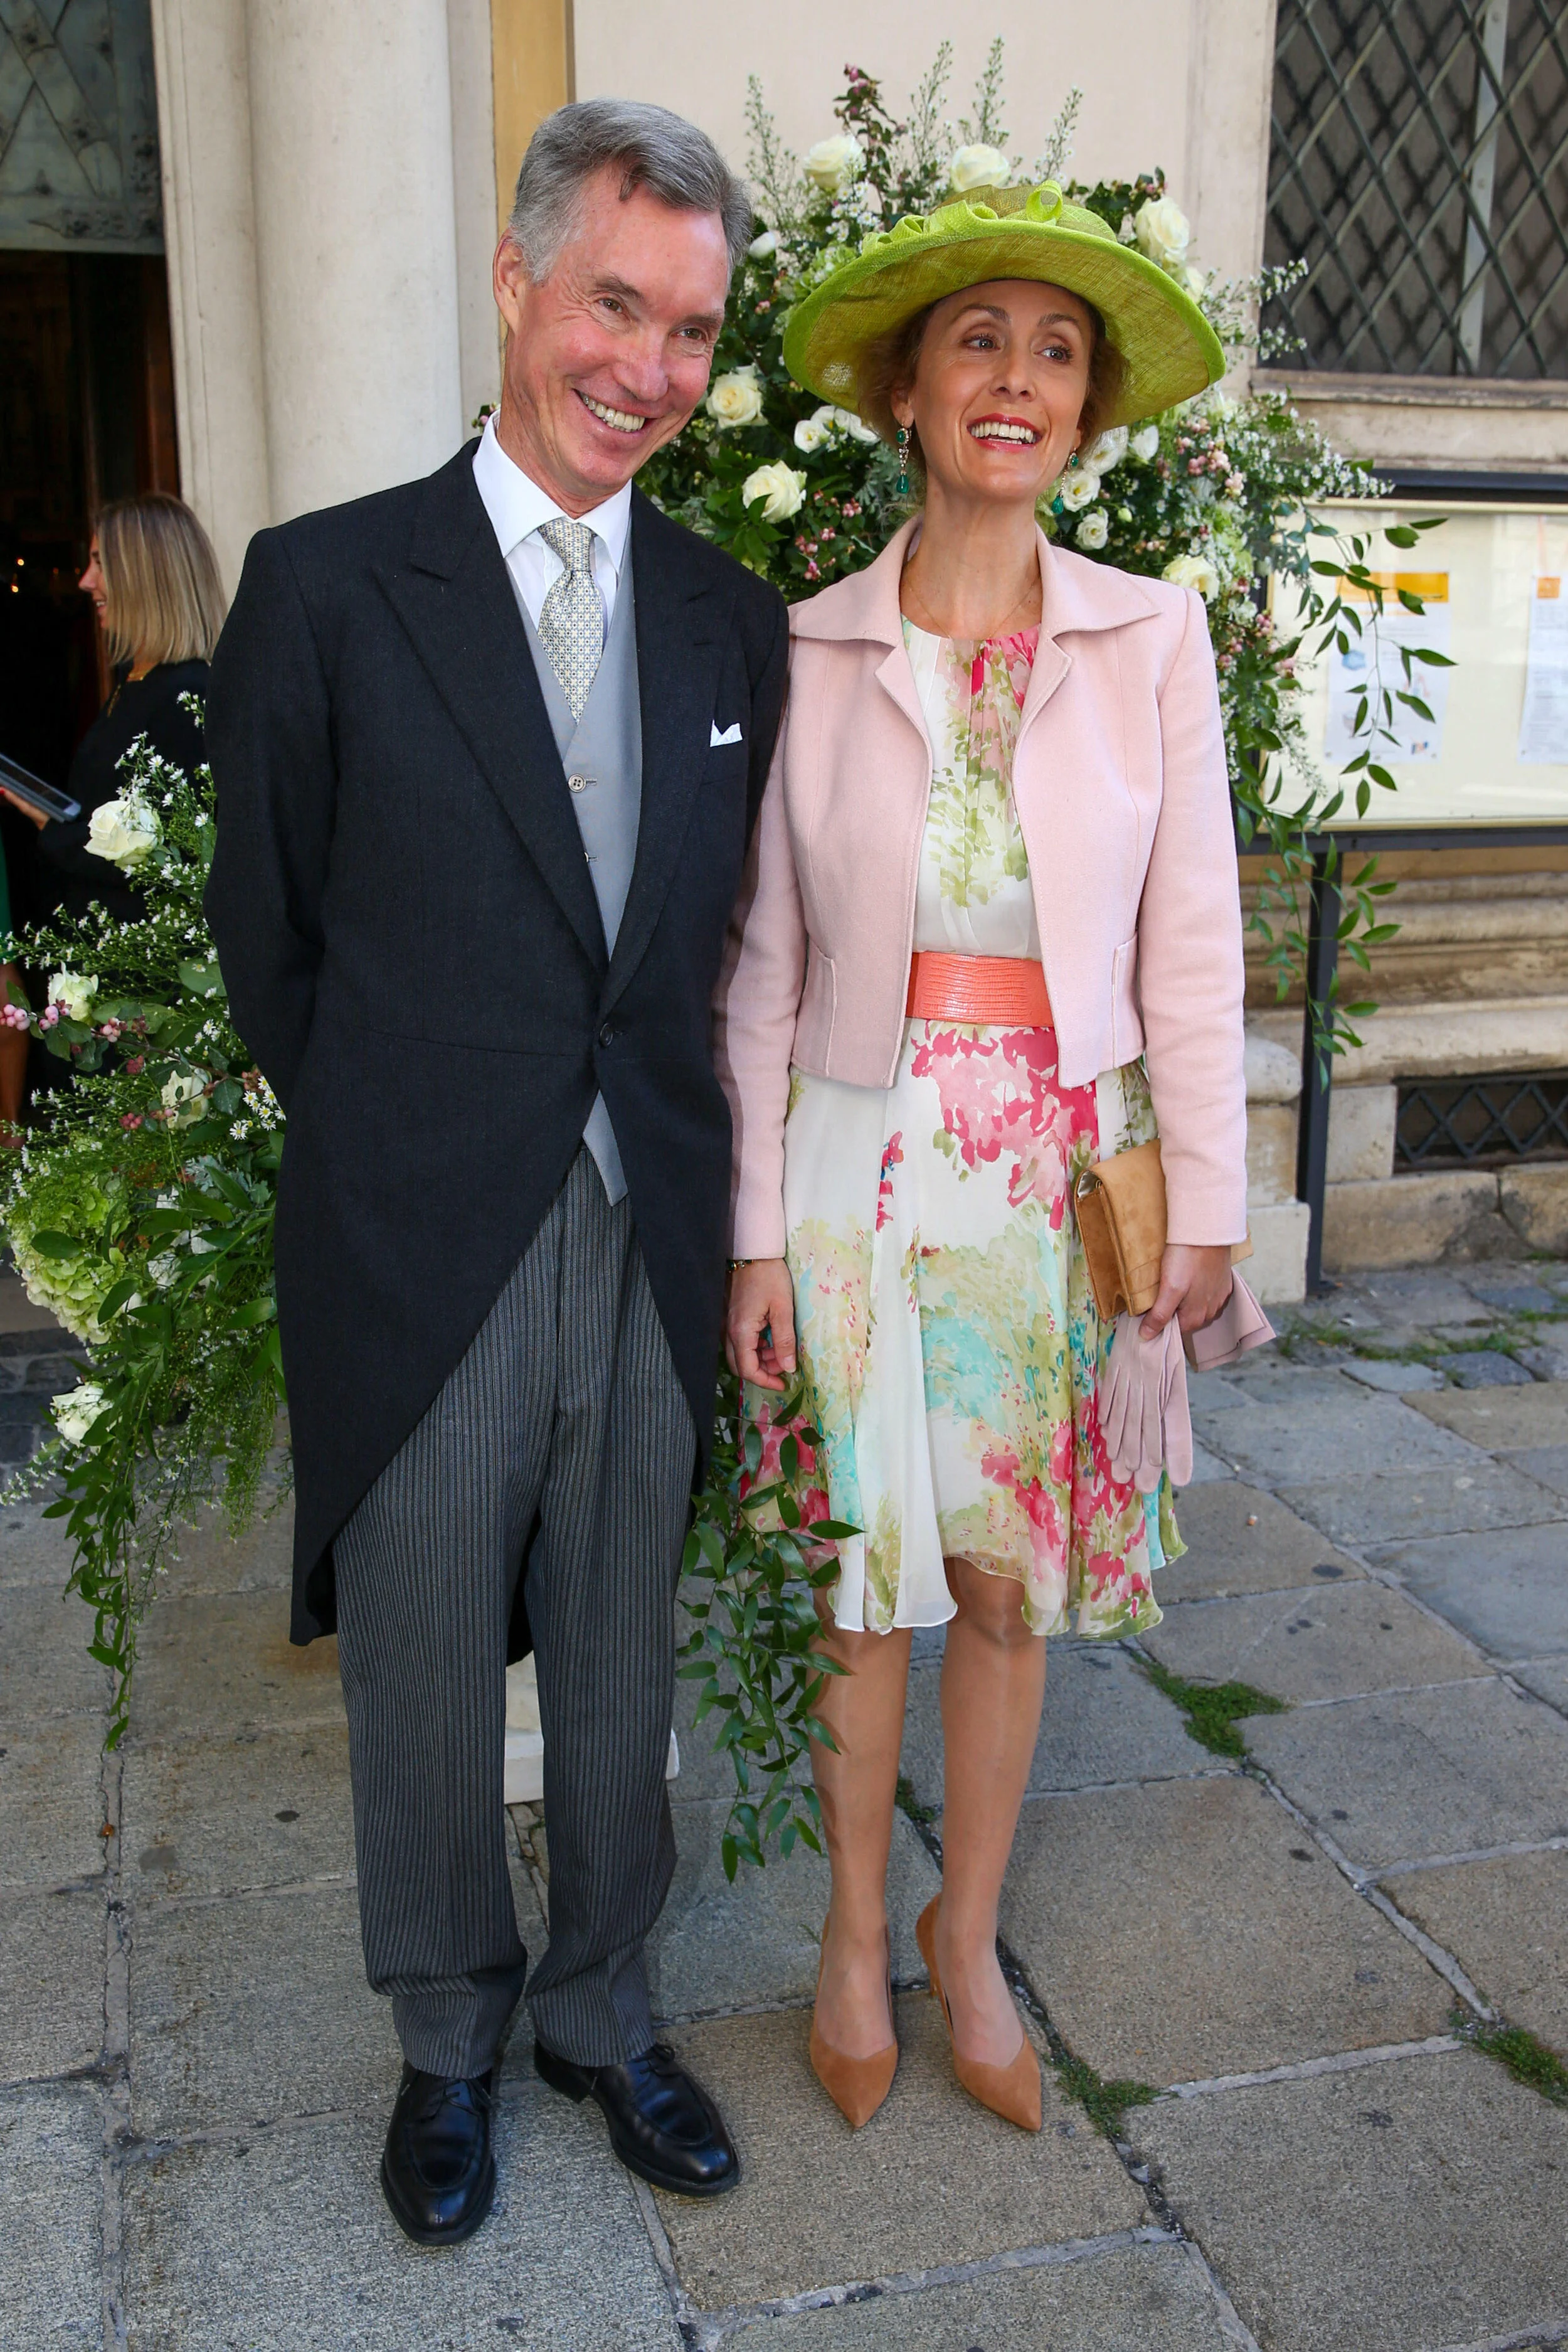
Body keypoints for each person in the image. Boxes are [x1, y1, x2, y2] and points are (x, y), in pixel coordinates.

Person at [204, 100, 788, 2244]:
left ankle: (598, 1999)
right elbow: (269, 937)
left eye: (694, 328)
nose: (647, 365)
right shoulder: (330, 584)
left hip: (650, 1223)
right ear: (521, 282)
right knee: (432, 1653)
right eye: (617, 303)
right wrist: (404, 1129)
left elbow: (718, 946)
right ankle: (447, 2032)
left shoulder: (734, 620)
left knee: (622, 1650)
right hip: (419, 1229)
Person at [718, 183, 1246, 2134]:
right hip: (855, 1160)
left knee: (1004, 1582)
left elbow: (1188, 932)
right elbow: (757, 959)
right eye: (976, 342)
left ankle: (968, 1930)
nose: (1012, 378)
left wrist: (1206, 1192)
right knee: (863, 1582)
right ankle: (852, 1934)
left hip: (1056, 1171)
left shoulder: (1147, 636)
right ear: (906, 392)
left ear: (1080, 410)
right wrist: (748, 1233)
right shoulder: (801, 644)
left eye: (1051, 351)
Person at [1, 495, 223, 923]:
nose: (85, 582)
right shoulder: (138, 681)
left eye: (101, 563)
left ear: (145, 575)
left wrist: (56, 832)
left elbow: (165, 859)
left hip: (148, 972)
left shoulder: (188, 696)